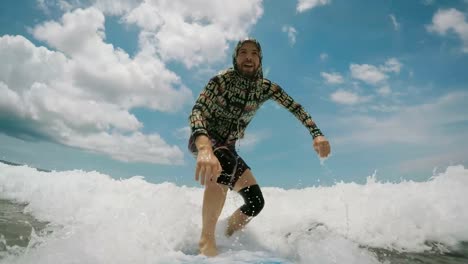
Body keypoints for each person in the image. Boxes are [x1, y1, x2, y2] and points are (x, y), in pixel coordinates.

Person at [188, 38, 331, 257]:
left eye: (254, 53)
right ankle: (206, 240)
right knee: (224, 161)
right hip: (206, 139)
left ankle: (225, 232)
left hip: (229, 148)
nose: (248, 57)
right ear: (236, 58)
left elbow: (296, 107)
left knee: (255, 202)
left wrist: (317, 133)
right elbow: (197, 110)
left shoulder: (265, 88)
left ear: (260, 59)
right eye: (243, 52)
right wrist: (204, 147)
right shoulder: (222, 80)